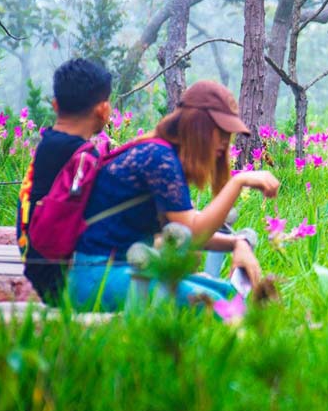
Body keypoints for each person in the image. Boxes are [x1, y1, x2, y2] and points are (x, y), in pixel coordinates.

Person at [66, 80, 279, 312]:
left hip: (122, 272)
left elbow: (183, 229)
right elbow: (193, 233)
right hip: (99, 277)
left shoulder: (162, 154)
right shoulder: (159, 158)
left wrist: (238, 242)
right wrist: (238, 182)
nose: (224, 141)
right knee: (221, 306)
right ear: (198, 126)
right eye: (220, 132)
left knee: (229, 294)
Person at [17, 59, 113, 305]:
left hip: (32, 258)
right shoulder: (81, 157)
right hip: (58, 278)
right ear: (103, 110)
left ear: (55, 105)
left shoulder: (49, 143)